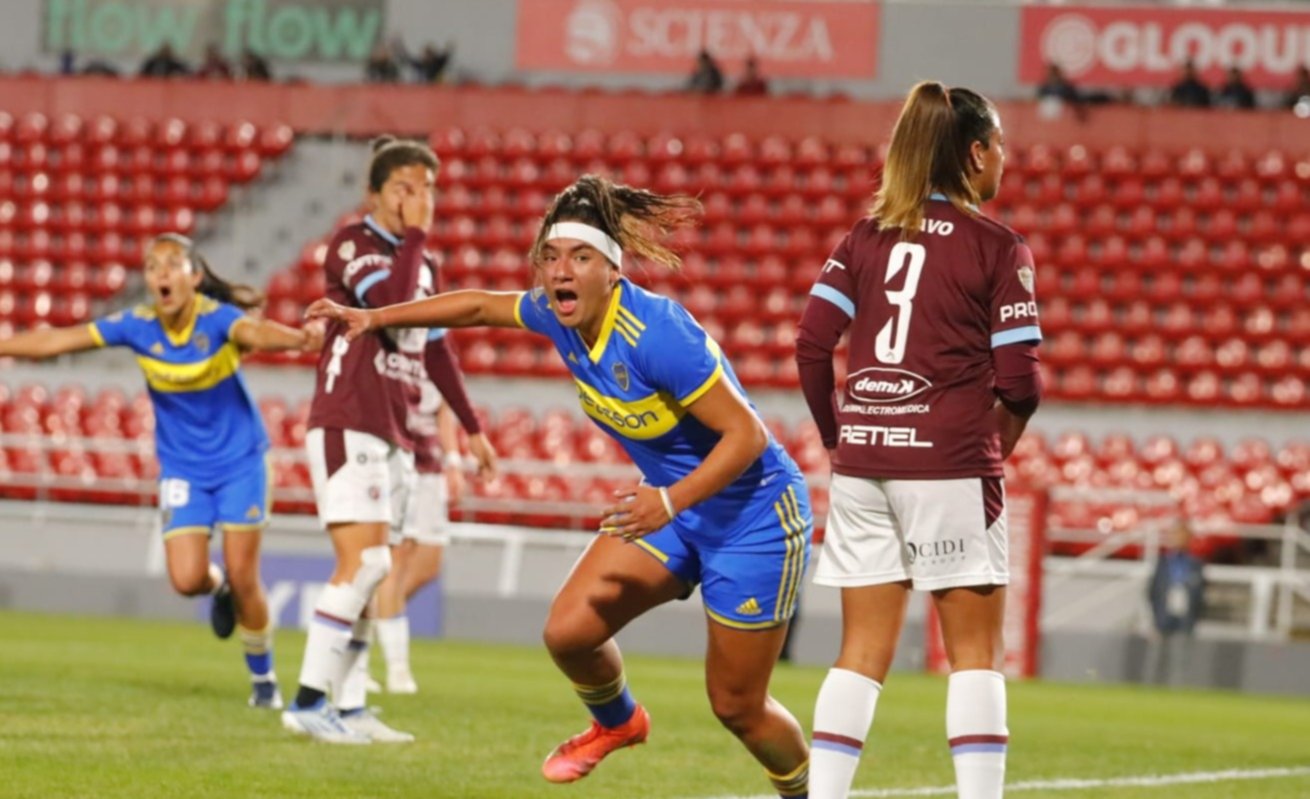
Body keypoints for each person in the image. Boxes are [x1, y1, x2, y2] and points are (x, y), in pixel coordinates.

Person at [308, 174, 815, 797]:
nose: (559, 271)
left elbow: (748, 437)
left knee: (736, 705)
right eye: (549, 257)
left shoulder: (658, 335)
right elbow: (476, 305)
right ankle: (619, 723)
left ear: (612, 270)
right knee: (569, 632)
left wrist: (667, 500)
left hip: (752, 515)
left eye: (578, 258)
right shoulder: (556, 315)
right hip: (672, 506)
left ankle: (809, 791)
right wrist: (372, 317)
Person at [795, 81, 1043, 799]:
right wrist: (991, 445)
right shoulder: (999, 246)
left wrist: (839, 441)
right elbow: (1021, 380)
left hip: (865, 462)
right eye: (998, 145)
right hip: (950, 461)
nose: (1004, 159)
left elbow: (813, 345)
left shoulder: (865, 236)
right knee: (974, 655)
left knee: (860, 653)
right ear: (973, 154)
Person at [0, 233, 324, 709]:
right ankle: (218, 590)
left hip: (240, 463)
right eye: (153, 266)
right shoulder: (137, 326)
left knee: (246, 574)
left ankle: (264, 681)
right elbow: (58, 340)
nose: (162, 273)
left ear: (194, 276)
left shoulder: (217, 321)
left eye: (173, 263)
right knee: (187, 578)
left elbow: (256, 333)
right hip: (183, 470)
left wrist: (298, 340)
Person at [281, 135, 495, 744]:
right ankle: (306, 703)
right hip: (348, 419)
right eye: (404, 187)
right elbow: (393, 308)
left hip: (397, 429)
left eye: (426, 188)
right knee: (368, 561)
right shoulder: (356, 244)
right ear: (373, 193)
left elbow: (436, 347)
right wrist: (420, 237)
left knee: (376, 575)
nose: (416, 200)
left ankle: (349, 708)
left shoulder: (421, 263)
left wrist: (473, 428)